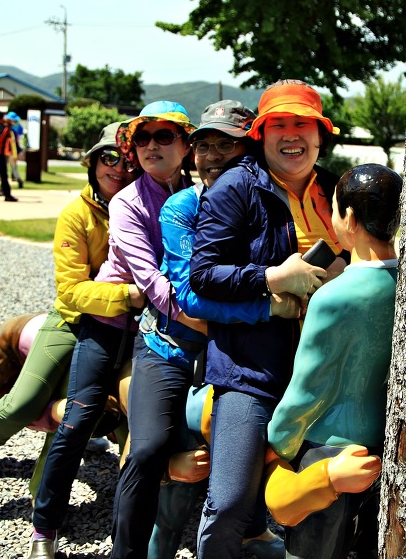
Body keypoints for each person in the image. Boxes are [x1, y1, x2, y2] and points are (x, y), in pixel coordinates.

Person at [110, 100, 293, 559]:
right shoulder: (180, 208)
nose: (212, 155)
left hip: (230, 351)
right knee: (151, 448)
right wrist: (268, 307)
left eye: (225, 144)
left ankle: (252, 533)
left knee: (235, 453)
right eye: (203, 146)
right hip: (172, 347)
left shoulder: (256, 198)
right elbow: (185, 298)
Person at [28, 101, 201, 559]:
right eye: (141, 138)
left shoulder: (202, 194)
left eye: (163, 136)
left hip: (165, 330)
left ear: (186, 145)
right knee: (81, 417)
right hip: (112, 324)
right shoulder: (127, 202)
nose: (150, 146)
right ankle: (44, 530)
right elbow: (154, 285)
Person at [189, 81, 348, 558]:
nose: (291, 134)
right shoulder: (236, 187)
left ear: (320, 136)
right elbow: (203, 274)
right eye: (279, 124)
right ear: (261, 134)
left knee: (331, 497)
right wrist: (273, 276)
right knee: (233, 497)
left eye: (303, 124)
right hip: (251, 369)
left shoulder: (335, 189)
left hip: (325, 371)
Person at [0, 123, 143, 491]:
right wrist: (128, 296)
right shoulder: (77, 215)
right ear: (92, 163)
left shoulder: (145, 207)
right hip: (73, 321)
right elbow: (71, 290)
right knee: (26, 400)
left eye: (127, 162)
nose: (118, 169)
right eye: (109, 158)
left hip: (127, 329)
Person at [267, 164, 403, 559]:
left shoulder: (334, 296)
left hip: (329, 447)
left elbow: (310, 387)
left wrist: (276, 442)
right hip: (385, 444)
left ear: (350, 218)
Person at [5, 111, 25, 189]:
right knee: (14, 167)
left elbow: (16, 141)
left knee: (6, 167)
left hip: (8, 151)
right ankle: (19, 180)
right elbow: (18, 140)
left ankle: (16, 180)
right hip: (13, 151)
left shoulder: (7, 129)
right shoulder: (18, 127)